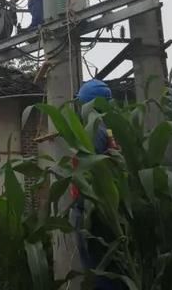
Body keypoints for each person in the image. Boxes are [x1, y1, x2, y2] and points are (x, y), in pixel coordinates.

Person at [73, 79, 123, 290]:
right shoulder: (112, 129)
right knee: (115, 270)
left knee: (100, 272)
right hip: (108, 208)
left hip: (91, 209)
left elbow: (87, 173)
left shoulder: (93, 130)